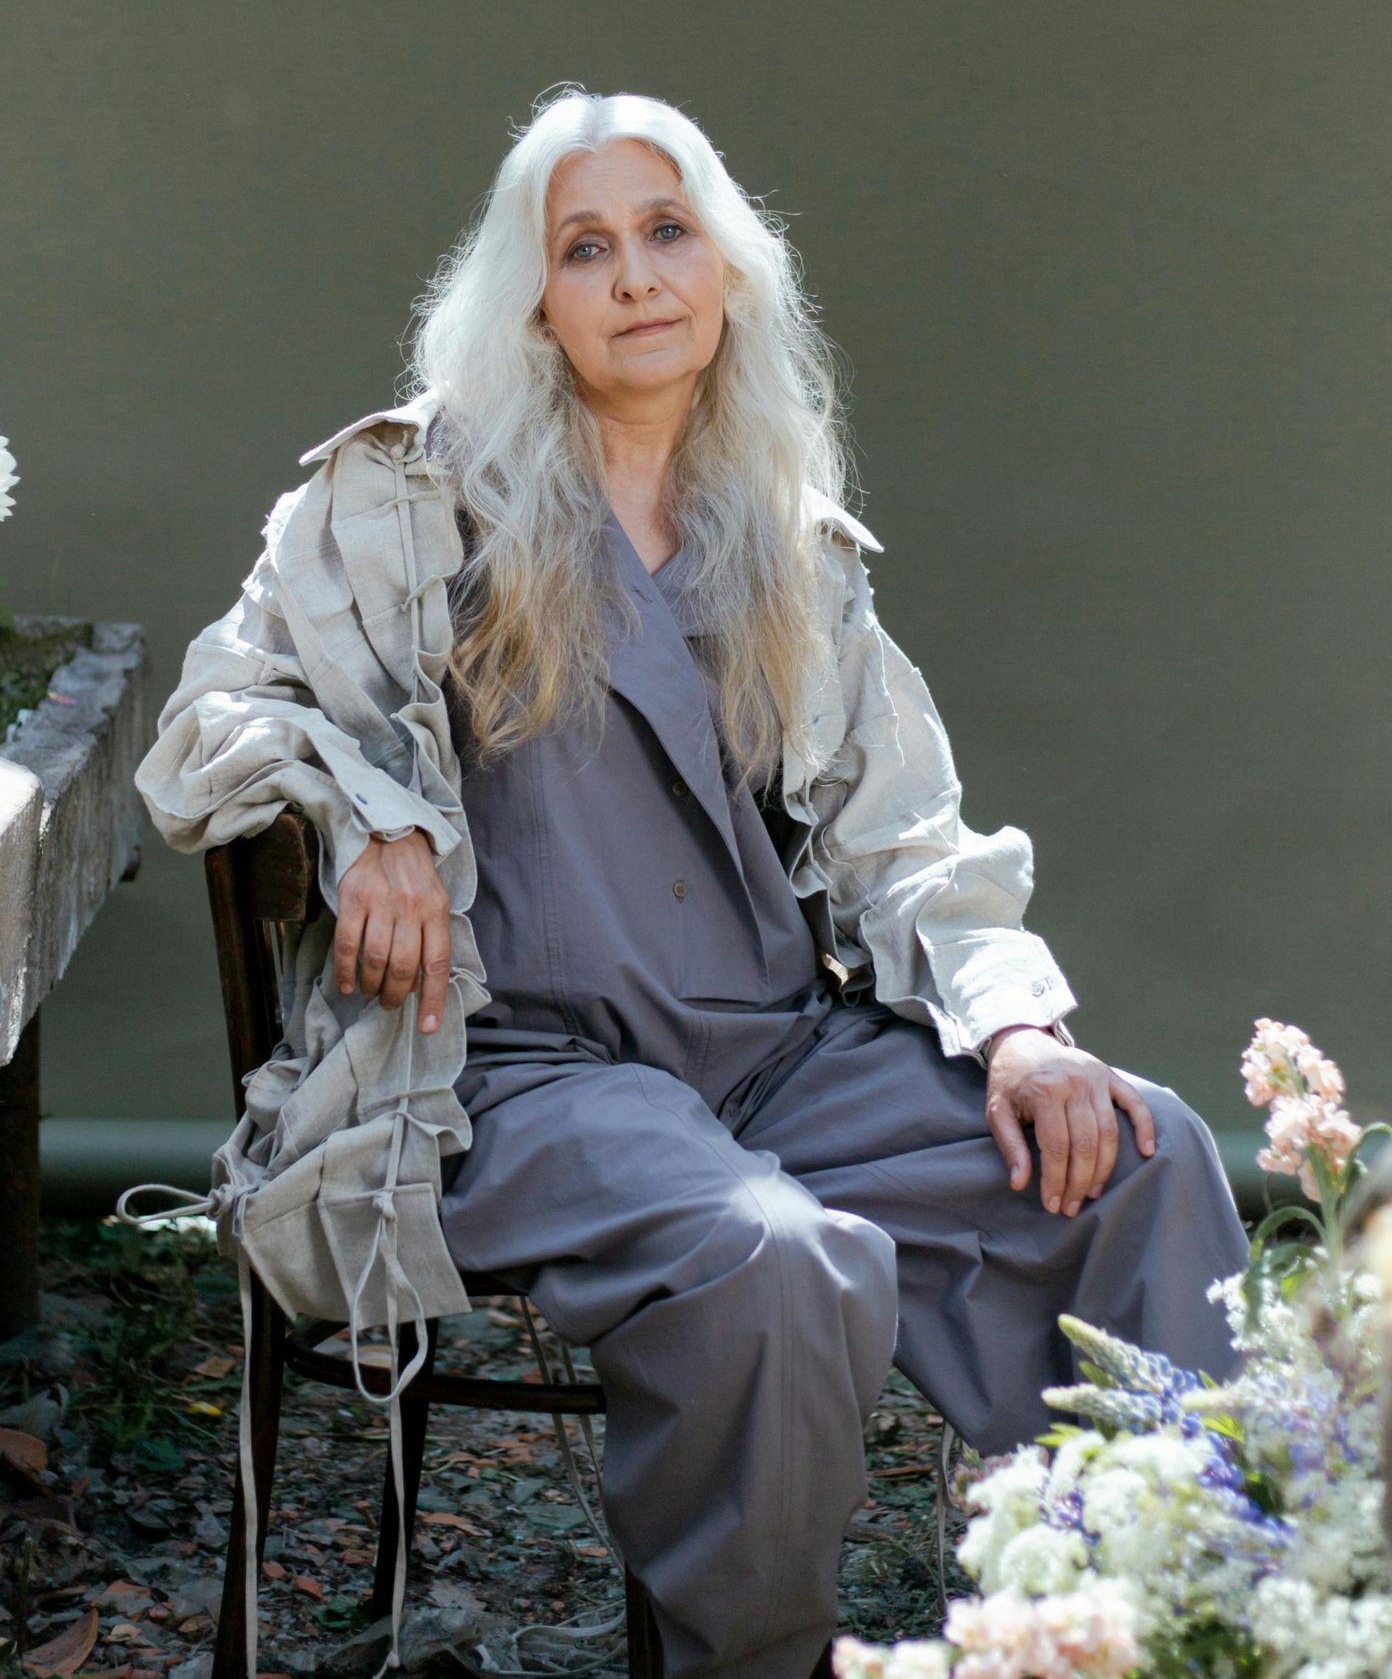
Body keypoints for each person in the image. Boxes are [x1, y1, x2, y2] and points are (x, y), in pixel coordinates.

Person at [138, 89, 1248, 1679]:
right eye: (585, 247)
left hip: (777, 1055)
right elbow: (213, 722)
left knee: (1140, 1153)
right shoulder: (408, 500)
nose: (637, 275)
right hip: (522, 1075)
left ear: (728, 267)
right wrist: (370, 812)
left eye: (669, 233)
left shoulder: (782, 537)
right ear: (533, 297)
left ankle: (1182, 1613)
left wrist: (1018, 1031)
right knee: (775, 1258)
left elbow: (904, 833)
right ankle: (763, 1662)